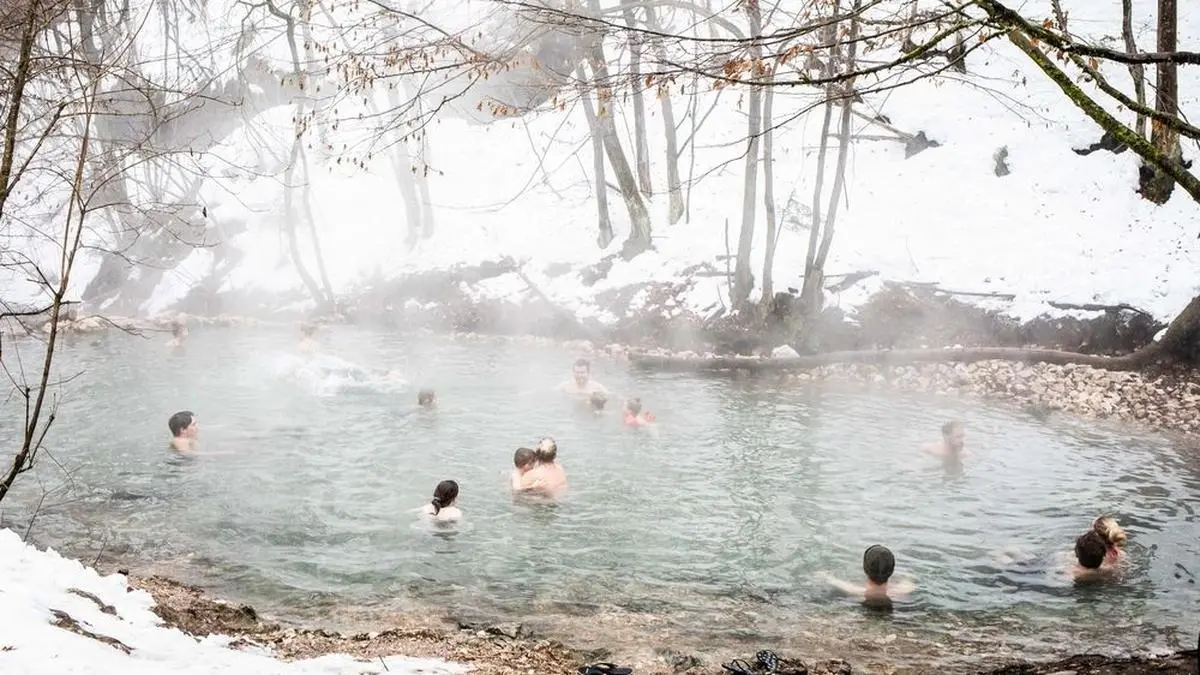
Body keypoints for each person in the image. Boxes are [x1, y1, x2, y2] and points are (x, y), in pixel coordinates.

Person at [818, 545, 915, 603]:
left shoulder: (855, 591)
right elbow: (910, 578)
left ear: (865, 569)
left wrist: (825, 576)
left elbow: (833, 580)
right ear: (892, 570)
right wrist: (909, 576)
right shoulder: (905, 589)